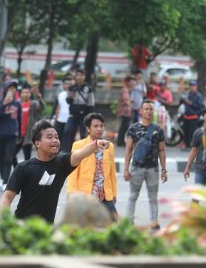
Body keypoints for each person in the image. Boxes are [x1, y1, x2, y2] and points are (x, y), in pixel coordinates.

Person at [0, 119, 111, 223]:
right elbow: (7, 197)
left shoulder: (61, 164)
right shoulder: (23, 167)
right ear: (37, 143)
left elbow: (79, 154)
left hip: (47, 229)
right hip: (23, 226)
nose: (55, 140)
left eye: (56, 137)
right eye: (49, 137)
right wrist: (4, 224)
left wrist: (95, 144)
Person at [124, 101, 167, 229]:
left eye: (151, 109)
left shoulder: (158, 129)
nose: (149, 111)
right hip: (137, 168)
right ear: (141, 111)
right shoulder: (133, 129)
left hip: (153, 168)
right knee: (132, 196)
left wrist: (164, 169)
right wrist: (126, 169)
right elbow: (128, 150)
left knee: (153, 198)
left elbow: (162, 150)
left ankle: (154, 223)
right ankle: (128, 223)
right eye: (146, 109)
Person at [67, 113, 118, 218]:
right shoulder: (78, 145)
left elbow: (112, 172)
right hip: (86, 195)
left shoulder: (110, 146)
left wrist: (113, 194)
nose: (99, 129)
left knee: (113, 224)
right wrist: (71, 194)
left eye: (101, 126)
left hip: (105, 195)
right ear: (88, 129)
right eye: (95, 126)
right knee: (84, 227)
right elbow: (73, 173)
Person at [0, 81, 22, 190]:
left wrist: (19, 134)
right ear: (5, 89)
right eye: (10, 88)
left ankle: (6, 181)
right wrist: (4, 104)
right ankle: (1, 178)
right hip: (0, 134)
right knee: (0, 157)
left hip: (12, 135)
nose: (12, 90)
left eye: (14, 88)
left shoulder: (17, 104)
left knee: (8, 159)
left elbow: (19, 120)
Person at [62, 69, 95, 152]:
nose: (80, 77)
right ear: (75, 76)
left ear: (84, 77)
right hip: (73, 114)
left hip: (84, 116)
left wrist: (90, 117)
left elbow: (91, 103)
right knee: (68, 131)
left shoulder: (88, 88)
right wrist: (70, 97)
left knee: (83, 135)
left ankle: (84, 152)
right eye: (78, 75)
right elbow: (68, 101)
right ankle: (68, 152)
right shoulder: (72, 88)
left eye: (81, 75)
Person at [16, 83, 45, 161]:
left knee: (27, 158)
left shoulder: (33, 104)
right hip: (18, 134)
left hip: (28, 136)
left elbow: (42, 107)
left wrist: (39, 97)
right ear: (20, 94)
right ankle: (17, 170)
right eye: (24, 92)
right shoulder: (17, 104)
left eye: (27, 92)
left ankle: (25, 172)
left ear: (30, 94)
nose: (25, 94)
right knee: (11, 156)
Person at [180, 80, 204, 151]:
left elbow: (199, 106)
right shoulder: (188, 94)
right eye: (191, 86)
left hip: (194, 116)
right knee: (186, 132)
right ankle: (186, 145)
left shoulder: (198, 96)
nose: (192, 87)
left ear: (196, 87)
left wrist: (190, 103)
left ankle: (192, 146)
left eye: (193, 86)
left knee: (192, 133)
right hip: (186, 116)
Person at [53, 76, 72, 140]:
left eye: (70, 84)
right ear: (63, 85)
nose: (68, 85)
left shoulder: (74, 94)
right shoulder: (60, 94)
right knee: (57, 138)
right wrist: (56, 118)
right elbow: (58, 106)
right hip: (59, 120)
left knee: (66, 139)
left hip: (69, 120)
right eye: (66, 83)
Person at [116, 75, 133, 147]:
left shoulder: (126, 89)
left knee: (124, 126)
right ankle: (120, 141)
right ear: (127, 82)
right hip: (125, 111)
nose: (132, 83)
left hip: (125, 111)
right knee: (124, 126)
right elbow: (126, 100)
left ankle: (121, 141)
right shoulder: (125, 90)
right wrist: (130, 104)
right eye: (131, 82)